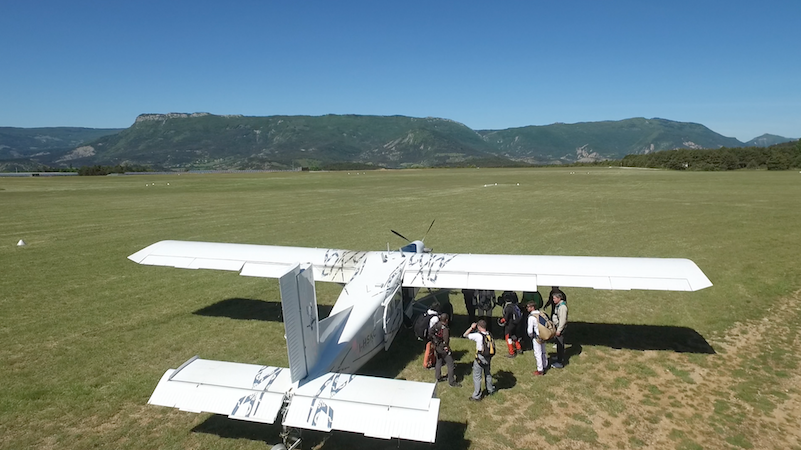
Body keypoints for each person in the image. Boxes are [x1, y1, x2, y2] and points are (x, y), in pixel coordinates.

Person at [463, 319, 495, 401]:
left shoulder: (478, 335)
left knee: (477, 376)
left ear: (479, 327)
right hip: (488, 358)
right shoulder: (489, 334)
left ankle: (477, 395)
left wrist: (471, 327)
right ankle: (490, 390)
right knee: (488, 374)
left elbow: (465, 335)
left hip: (480, 358)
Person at [430, 313, 460, 387]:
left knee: (439, 361)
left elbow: (430, 332)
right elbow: (446, 340)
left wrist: (435, 340)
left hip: (437, 347)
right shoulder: (445, 328)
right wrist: (447, 349)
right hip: (443, 348)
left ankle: (438, 377)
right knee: (450, 364)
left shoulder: (437, 324)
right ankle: (451, 381)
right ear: (446, 320)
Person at [526, 301, 548, 375]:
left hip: (536, 337)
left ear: (532, 307)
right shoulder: (542, 314)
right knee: (543, 351)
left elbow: (529, 330)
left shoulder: (531, 317)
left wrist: (531, 336)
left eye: (528, 307)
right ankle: (545, 365)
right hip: (544, 334)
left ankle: (540, 369)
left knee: (537, 353)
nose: (527, 308)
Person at [500, 291, 523, 358]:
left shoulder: (508, 307)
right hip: (516, 324)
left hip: (509, 325)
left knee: (508, 337)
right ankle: (519, 348)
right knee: (514, 336)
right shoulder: (514, 306)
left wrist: (501, 321)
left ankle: (511, 352)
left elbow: (505, 318)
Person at [550, 292, 568, 368]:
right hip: (557, 326)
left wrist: (559, 330)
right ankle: (559, 357)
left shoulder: (562, 307)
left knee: (560, 344)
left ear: (559, 298)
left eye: (554, 298)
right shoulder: (559, 306)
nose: (553, 300)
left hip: (559, 328)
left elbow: (563, 320)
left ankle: (560, 362)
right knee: (558, 343)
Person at [422, 305, 440, 369]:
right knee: (429, 349)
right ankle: (426, 364)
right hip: (431, 335)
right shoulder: (435, 318)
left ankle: (432, 362)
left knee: (431, 348)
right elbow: (436, 328)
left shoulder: (427, 313)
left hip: (425, 333)